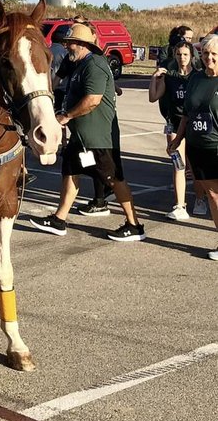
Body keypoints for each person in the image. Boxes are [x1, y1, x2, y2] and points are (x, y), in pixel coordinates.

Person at [30, 23, 144, 241]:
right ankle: (59, 219)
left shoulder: (95, 65)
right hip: (81, 138)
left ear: (83, 44)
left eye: (70, 43)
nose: (66, 47)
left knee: (114, 179)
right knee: (70, 172)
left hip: (99, 138)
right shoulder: (79, 65)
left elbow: (93, 100)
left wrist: (67, 116)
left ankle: (134, 225)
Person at [169, 34, 218, 259]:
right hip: (197, 147)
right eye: (206, 53)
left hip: (216, 146)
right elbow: (187, 114)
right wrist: (178, 139)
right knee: (212, 195)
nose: (209, 58)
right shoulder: (196, 78)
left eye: (214, 54)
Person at [150, 39, 199, 220]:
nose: (182, 58)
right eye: (179, 54)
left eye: (185, 54)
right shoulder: (169, 76)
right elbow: (153, 97)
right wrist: (154, 78)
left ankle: (200, 198)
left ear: (192, 56)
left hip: (194, 125)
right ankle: (180, 205)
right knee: (178, 164)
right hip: (175, 124)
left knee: (197, 166)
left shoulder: (198, 77)